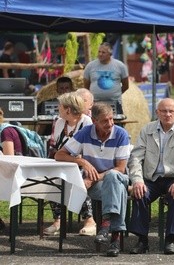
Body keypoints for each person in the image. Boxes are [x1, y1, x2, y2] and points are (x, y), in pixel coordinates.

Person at [54, 102, 132, 257]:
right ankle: (114, 240)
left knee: (113, 178)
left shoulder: (121, 134)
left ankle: (105, 226)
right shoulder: (85, 133)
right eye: (105, 121)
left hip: (115, 178)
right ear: (94, 121)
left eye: (111, 119)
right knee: (118, 192)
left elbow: (121, 168)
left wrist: (94, 178)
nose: (110, 123)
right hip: (106, 188)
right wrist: (83, 162)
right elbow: (59, 155)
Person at [128, 98, 174, 255]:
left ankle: (170, 240)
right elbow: (135, 158)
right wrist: (138, 181)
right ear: (157, 113)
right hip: (151, 178)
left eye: (171, 111)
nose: (167, 114)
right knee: (139, 193)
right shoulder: (147, 130)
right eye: (163, 111)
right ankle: (142, 241)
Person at [43, 92, 95, 237]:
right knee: (52, 179)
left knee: (75, 179)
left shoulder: (86, 122)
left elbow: (87, 151)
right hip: (65, 162)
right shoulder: (59, 122)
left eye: (60, 106)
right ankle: (58, 220)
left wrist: (73, 159)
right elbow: (57, 149)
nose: (57, 108)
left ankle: (89, 220)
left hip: (86, 164)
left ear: (68, 109)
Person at [83, 42, 129, 114]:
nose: (100, 54)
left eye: (103, 52)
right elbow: (86, 86)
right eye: (99, 52)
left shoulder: (120, 66)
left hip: (115, 103)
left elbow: (126, 86)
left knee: (115, 123)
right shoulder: (90, 66)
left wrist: (114, 94)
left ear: (110, 54)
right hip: (95, 103)